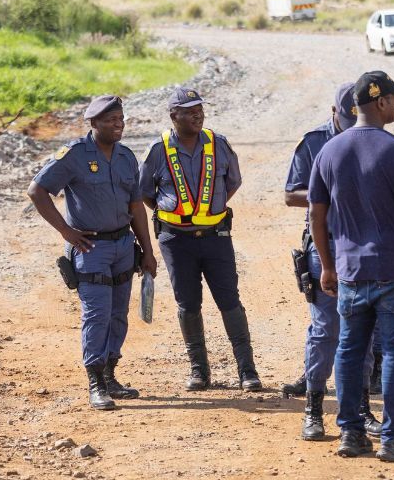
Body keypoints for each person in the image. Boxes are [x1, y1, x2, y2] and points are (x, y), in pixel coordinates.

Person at [308, 70, 394, 462]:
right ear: (380, 102)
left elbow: (316, 212)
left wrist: (327, 267)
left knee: (349, 349)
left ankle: (351, 434)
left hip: (349, 271)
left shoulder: (330, 150)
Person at [28, 95, 158, 411]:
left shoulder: (127, 157)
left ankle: (111, 375)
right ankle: (95, 382)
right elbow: (38, 190)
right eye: (111, 120)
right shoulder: (73, 155)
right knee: (96, 314)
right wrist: (66, 231)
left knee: (118, 314)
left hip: (123, 246)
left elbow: (135, 206)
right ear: (94, 123)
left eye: (121, 119)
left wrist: (148, 251)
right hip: (91, 248)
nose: (118, 125)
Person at [140, 87, 262, 391]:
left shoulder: (219, 144)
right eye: (189, 110)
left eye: (200, 109)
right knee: (188, 303)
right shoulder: (158, 149)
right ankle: (199, 371)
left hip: (216, 237)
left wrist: (208, 209)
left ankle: (247, 370)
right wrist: (179, 214)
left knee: (229, 300)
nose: (198, 114)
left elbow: (233, 181)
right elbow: (144, 193)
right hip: (176, 241)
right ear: (173, 116)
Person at [283, 83, 381, 441]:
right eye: (344, 119)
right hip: (324, 245)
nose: (350, 124)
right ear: (333, 112)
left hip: (362, 246)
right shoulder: (314, 142)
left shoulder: (372, 136)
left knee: (363, 329)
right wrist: (330, 194)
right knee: (325, 331)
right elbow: (290, 194)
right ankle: (313, 407)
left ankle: (361, 407)